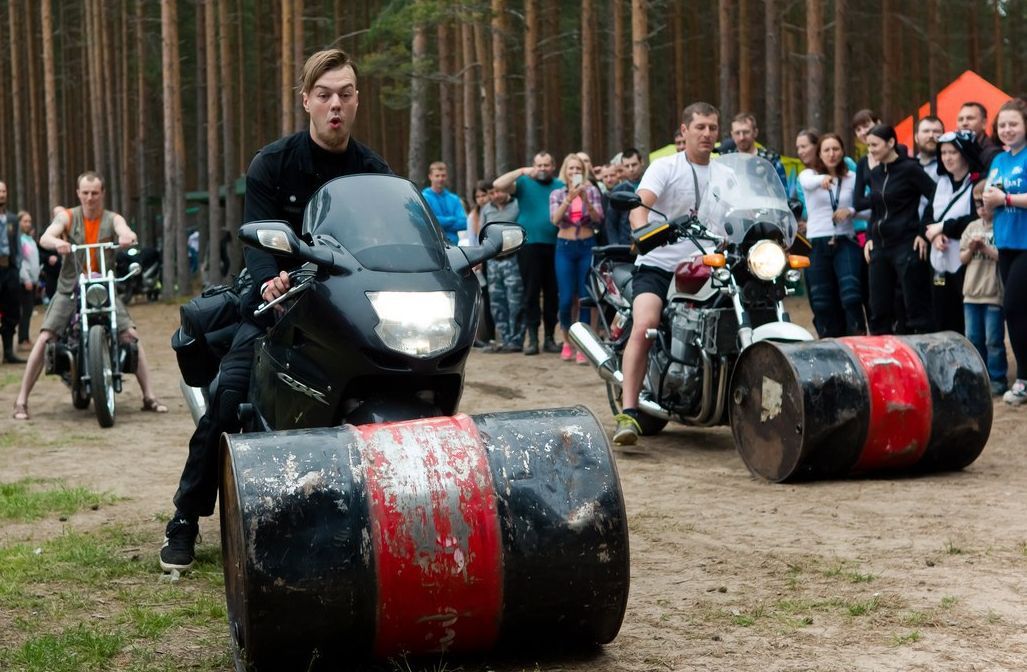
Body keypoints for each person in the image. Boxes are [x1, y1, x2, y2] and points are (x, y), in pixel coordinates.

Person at [160, 49, 392, 573]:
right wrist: (269, 280)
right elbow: (258, 243)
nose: (336, 105)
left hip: (351, 316)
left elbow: (392, 241)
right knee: (228, 399)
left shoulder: (375, 173)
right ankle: (185, 519)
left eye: (346, 94)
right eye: (325, 94)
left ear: (358, 100)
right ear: (306, 100)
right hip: (277, 310)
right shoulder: (273, 163)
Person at [11, 172, 168, 420]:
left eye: (94, 193)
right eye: (85, 193)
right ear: (78, 193)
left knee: (131, 335)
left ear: (102, 193)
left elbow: (124, 229)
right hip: (70, 288)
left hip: (104, 286)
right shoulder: (69, 216)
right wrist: (56, 242)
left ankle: (149, 396)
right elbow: (45, 236)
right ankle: (21, 401)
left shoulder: (111, 218)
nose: (90, 198)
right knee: (45, 337)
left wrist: (128, 236)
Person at [612, 101, 720, 446]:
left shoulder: (726, 172)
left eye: (713, 128)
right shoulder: (664, 167)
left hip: (709, 265)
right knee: (645, 326)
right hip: (660, 263)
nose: (707, 134)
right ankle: (628, 412)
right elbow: (641, 204)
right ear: (684, 131)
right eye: (700, 127)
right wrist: (643, 233)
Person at [855, 125, 937, 335]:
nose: (870, 150)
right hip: (880, 247)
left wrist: (923, 232)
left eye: (874, 145)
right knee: (878, 308)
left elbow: (936, 196)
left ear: (891, 143)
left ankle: (921, 356)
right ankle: (881, 358)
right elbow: (876, 206)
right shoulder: (875, 174)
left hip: (906, 244)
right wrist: (871, 236)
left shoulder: (910, 169)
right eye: (868, 146)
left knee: (914, 306)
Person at [493, 152, 564, 356]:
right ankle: (532, 338)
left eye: (546, 165)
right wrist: (523, 170)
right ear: (534, 166)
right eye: (539, 165)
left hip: (555, 244)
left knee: (552, 293)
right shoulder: (523, 183)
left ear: (553, 166)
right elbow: (499, 184)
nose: (542, 168)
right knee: (531, 292)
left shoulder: (560, 185)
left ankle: (549, 337)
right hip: (530, 245)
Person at [981, 98, 1027, 405]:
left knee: (1013, 307)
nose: (1007, 130)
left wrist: (1005, 199)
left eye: (1014, 124)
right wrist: (987, 203)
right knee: (1016, 311)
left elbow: (1005, 197)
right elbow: (991, 198)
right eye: (1002, 125)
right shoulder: (998, 160)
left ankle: (1023, 378)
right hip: (1006, 244)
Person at [798, 133, 867, 337]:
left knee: (851, 295)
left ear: (843, 152)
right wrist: (823, 179)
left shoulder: (852, 178)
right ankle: (828, 342)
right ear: (819, 153)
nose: (832, 154)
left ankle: (857, 338)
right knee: (821, 300)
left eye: (836, 149)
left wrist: (851, 211)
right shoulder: (808, 175)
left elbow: (868, 209)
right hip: (817, 242)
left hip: (845, 240)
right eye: (826, 150)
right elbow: (809, 183)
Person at [922, 130, 983, 334]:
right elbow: (927, 218)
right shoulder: (941, 183)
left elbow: (978, 219)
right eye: (944, 153)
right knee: (940, 316)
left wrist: (944, 227)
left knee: (964, 319)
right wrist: (936, 234)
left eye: (953, 152)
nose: (947, 158)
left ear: (964, 153)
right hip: (938, 261)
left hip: (966, 260)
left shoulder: (978, 182)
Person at [549, 152, 603, 364]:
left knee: (584, 297)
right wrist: (569, 199)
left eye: (578, 169)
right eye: (571, 169)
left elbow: (598, 220)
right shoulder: (557, 193)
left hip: (587, 246)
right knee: (565, 298)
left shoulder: (592, 191)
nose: (574, 172)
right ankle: (566, 341)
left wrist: (586, 201)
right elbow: (554, 220)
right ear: (565, 171)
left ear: (584, 171)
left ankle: (582, 346)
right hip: (564, 247)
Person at [960, 181, 1008, 396]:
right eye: (977, 203)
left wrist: (985, 247)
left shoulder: (1002, 226)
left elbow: (1002, 256)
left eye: (985, 202)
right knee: (973, 339)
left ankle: (997, 378)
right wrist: (971, 249)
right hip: (971, 293)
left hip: (993, 293)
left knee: (993, 340)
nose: (981, 208)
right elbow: (962, 259)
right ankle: (978, 378)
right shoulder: (971, 228)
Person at [480, 182, 523, 353]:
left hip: (513, 259)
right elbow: (481, 233)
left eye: (498, 191)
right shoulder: (486, 209)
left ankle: (516, 339)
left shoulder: (517, 204)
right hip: (492, 261)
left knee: (515, 301)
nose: (496, 195)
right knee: (497, 302)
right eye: (492, 193)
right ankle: (503, 339)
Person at [719, 112, 787, 187]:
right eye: (737, 133)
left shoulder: (770, 160)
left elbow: (783, 193)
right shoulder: (727, 161)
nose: (742, 138)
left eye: (746, 132)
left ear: (755, 132)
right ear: (732, 135)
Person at [466, 180, 494, 347]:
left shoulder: (493, 213)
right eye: (478, 196)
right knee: (485, 299)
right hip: (481, 262)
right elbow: (472, 240)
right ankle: (486, 335)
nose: (482, 199)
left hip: (494, 260)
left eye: (484, 195)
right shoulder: (473, 217)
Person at [0, 181, 24, 363]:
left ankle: (8, 352)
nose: (1, 194)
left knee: (12, 311)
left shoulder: (13, 219)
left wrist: (17, 267)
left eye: (3, 191)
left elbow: (18, 245)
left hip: (10, 270)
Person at [604, 148, 644, 246]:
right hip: (626, 243)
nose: (631, 169)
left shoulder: (651, 183)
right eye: (627, 166)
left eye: (634, 165)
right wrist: (615, 244)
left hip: (650, 237)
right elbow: (611, 222)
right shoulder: (618, 190)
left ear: (641, 162)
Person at [422, 161, 466, 245]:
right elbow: (427, 222)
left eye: (443, 176)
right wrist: (451, 219)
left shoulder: (454, 198)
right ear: (430, 177)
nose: (440, 179)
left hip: (453, 246)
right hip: (432, 246)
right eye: (437, 176)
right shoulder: (424, 197)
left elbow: (464, 223)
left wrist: (439, 222)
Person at [17, 211, 40, 350]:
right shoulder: (19, 240)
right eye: (25, 221)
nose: (28, 224)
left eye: (29, 221)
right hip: (24, 281)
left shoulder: (30, 239)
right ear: (19, 223)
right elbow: (21, 262)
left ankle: (26, 337)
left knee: (29, 310)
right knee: (24, 311)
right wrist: (26, 278)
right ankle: (22, 339)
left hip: (33, 280)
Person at [957, 101, 1002, 171]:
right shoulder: (956, 151)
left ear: (984, 123)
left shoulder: (994, 154)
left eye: (970, 118)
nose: (964, 123)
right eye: (960, 119)